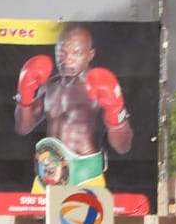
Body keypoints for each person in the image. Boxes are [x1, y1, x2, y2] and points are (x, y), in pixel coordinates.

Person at [14, 24, 133, 190]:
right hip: (46, 178)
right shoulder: (50, 85)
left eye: (76, 53)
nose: (67, 59)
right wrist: (24, 97)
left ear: (90, 55)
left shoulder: (98, 87)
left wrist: (116, 115)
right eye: (62, 52)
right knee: (28, 217)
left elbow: (122, 146)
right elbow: (23, 128)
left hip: (85, 179)